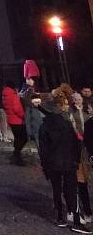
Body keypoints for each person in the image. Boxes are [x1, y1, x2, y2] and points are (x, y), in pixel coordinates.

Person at [40, 93, 91, 232]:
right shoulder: (67, 124)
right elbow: (77, 143)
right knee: (72, 190)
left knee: (56, 189)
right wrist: (76, 160)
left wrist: (45, 166)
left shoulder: (45, 126)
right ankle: (75, 218)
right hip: (69, 162)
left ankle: (59, 216)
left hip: (53, 163)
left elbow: (43, 149)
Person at [70, 93, 92, 222]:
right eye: (76, 99)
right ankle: (86, 211)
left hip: (87, 148)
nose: (78, 101)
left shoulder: (86, 115)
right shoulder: (72, 113)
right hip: (81, 149)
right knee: (82, 182)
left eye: (79, 99)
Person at [3, 80, 27, 165]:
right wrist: (24, 116)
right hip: (18, 121)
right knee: (24, 138)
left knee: (18, 138)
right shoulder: (13, 95)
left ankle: (16, 156)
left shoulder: (5, 94)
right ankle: (16, 155)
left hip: (11, 120)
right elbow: (17, 109)